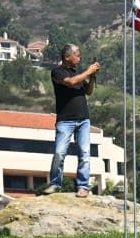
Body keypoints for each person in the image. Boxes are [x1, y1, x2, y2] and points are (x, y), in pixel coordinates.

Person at [42, 44, 99, 197]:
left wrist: (92, 77)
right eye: (77, 55)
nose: (79, 58)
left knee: (84, 153)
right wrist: (88, 71)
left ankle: (83, 186)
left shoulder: (79, 73)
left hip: (83, 119)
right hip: (65, 120)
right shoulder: (57, 72)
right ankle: (55, 184)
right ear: (67, 57)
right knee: (59, 153)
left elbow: (89, 91)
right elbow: (71, 82)